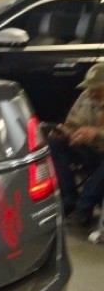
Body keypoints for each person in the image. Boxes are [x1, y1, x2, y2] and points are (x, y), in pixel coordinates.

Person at [47, 62, 104, 227]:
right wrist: (65, 132)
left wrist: (97, 132)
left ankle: (84, 207)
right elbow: (72, 123)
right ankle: (69, 198)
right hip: (90, 151)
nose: (92, 93)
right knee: (56, 143)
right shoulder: (85, 97)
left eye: (98, 89)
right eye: (90, 88)